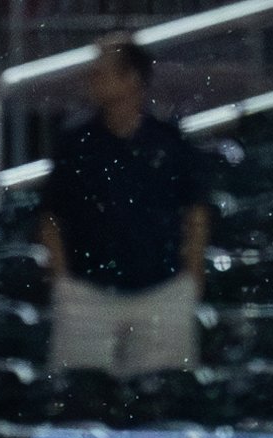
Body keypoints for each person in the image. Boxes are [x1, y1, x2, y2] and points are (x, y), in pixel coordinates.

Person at [40, 35, 211, 379]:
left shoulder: (169, 139)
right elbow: (50, 217)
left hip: (162, 290)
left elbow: (196, 211)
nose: (91, 78)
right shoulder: (76, 143)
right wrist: (62, 283)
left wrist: (191, 277)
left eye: (101, 72)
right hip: (87, 292)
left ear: (131, 78)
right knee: (79, 400)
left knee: (161, 404)